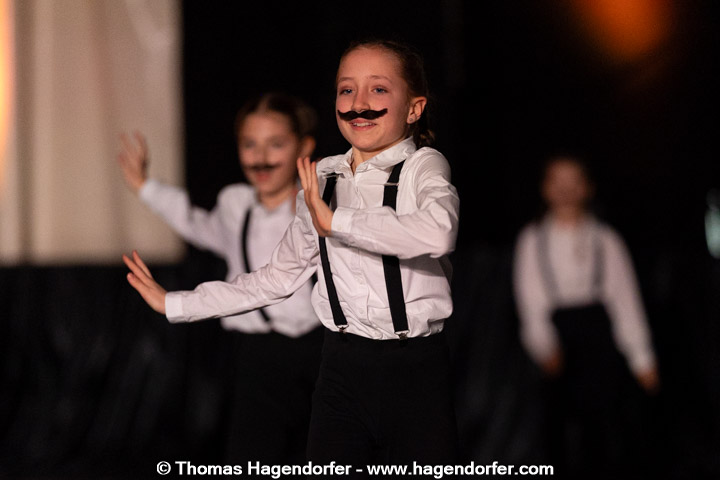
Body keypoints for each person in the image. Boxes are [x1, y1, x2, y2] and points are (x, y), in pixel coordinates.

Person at [123, 38, 460, 476]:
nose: (359, 102)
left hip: (415, 367)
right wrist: (175, 303)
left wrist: (337, 221)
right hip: (341, 367)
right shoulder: (321, 178)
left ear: (414, 108)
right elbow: (275, 279)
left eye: (378, 89)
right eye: (346, 89)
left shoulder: (422, 167)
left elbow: (439, 231)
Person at [116, 92, 324, 466]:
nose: (261, 157)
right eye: (250, 144)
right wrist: (147, 188)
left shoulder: (318, 203)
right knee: (253, 457)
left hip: (319, 351)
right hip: (256, 356)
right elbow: (200, 226)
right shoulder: (235, 204)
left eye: (276, 144)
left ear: (304, 147)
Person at [512, 155, 660, 479]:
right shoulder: (532, 239)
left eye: (574, 181)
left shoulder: (605, 239)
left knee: (606, 436)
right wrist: (544, 347)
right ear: (545, 188)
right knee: (560, 438)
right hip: (558, 344)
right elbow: (530, 302)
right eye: (557, 182)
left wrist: (642, 359)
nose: (566, 190)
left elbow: (625, 301)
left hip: (599, 343)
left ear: (587, 188)